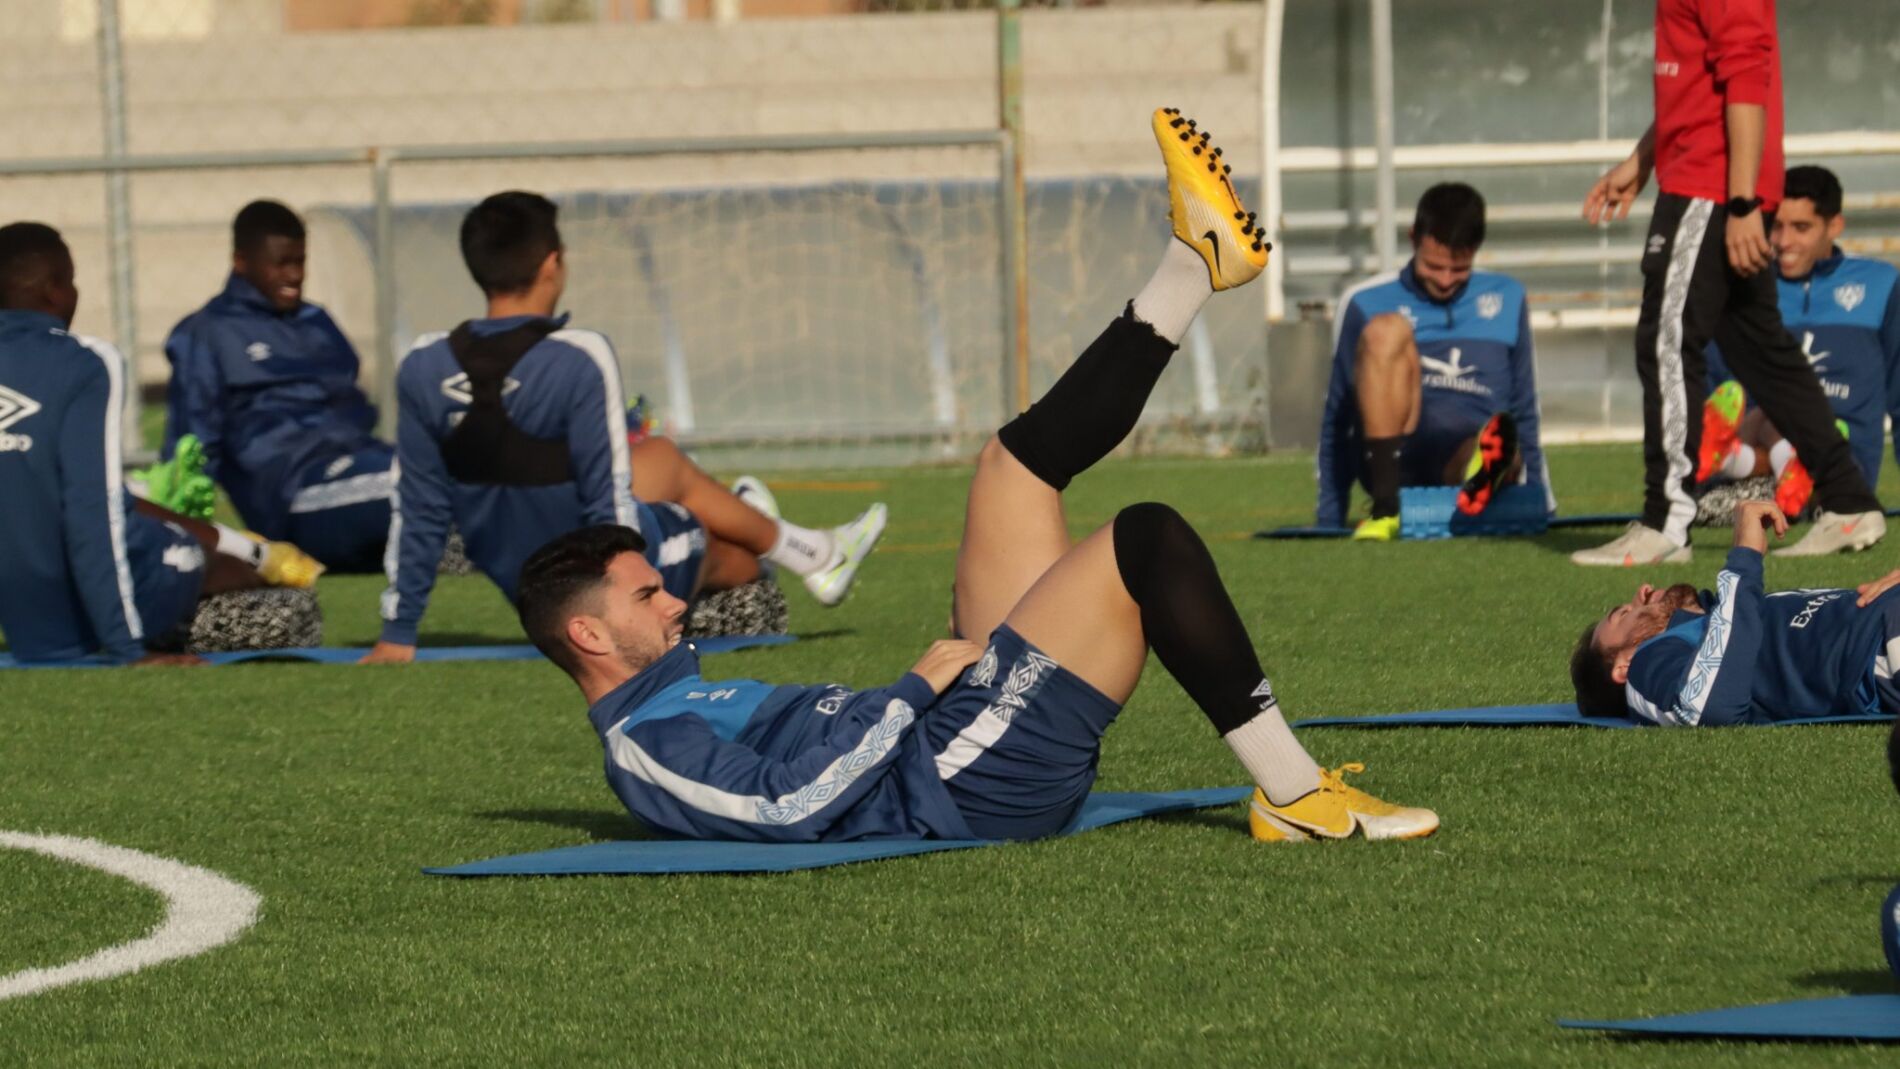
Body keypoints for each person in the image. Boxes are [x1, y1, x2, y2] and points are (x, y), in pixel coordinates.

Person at [514, 110, 1438, 845]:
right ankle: (1293, 792)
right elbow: (785, 808)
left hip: (943, 731)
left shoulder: (673, 696)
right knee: (1145, 538)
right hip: (960, 779)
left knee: (1015, 464)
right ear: (589, 633)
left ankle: (1194, 264)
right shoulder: (644, 746)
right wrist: (911, 691)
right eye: (648, 596)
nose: (676, 600)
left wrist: (918, 695)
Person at [367, 192, 885, 663]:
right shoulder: (578, 355)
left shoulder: (423, 363)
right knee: (728, 553)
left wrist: (398, 631)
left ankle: (798, 542)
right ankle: (804, 550)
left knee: (659, 458)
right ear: (552, 263)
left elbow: (417, 505)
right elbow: (608, 497)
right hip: (591, 583)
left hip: (524, 582)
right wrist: (626, 611)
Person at [1573, 0, 1884, 565]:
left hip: (1710, 190)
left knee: (1666, 343)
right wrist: (1642, 161)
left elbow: (1746, 82)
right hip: (1709, 184)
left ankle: (1667, 521)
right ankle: (1848, 501)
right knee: (1758, 348)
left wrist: (1741, 204)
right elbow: (1698, 89)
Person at [0, 222, 322, 665]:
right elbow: (93, 510)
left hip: (24, 618)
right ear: (55, 289)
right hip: (97, 607)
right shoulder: (85, 362)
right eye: (72, 281)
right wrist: (126, 649)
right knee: (292, 614)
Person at [161, 200, 394, 572]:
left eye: (300, 261)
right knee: (411, 481)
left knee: (453, 466)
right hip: (292, 493)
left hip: (359, 464)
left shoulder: (317, 322)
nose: (294, 275)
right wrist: (182, 539)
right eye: (281, 263)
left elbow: (354, 407)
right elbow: (191, 448)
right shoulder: (207, 333)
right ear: (241, 262)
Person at [1316, 183, 1551, 540]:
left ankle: (1485, 474)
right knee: (1387, 329)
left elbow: (1525, 406)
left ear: (1477, 249)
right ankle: (1386, 508)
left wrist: (1541, 503)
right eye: (1433, 266)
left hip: (1465, 451)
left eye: (1459, 269)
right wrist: (1329, 517)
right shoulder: (1365, 300)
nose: (1445, 280)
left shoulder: (1508, 296)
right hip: (1399, 453)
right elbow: (1338, 414)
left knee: (1499, 444)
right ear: (1413, 238)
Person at [1573, 499, 1900, 724]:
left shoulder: (1725, 614)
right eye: (1624, 614)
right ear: (1624, 667)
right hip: (1876, 648)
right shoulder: (1649, 661)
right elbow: (1705, 707)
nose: (1642, 591)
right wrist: (1744, 556)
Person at [1698, 166, 1900, 518]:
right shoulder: (1745, 287)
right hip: (1753, 471)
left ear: (1834, 226)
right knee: (1761, 420)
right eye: (1775, 225)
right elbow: (1714, 392)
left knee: (1789, 413)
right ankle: (1766, 466)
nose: (1783, 241)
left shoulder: (1881, 285)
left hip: (1839, 474)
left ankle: (1775, 471)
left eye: (1801, 227)